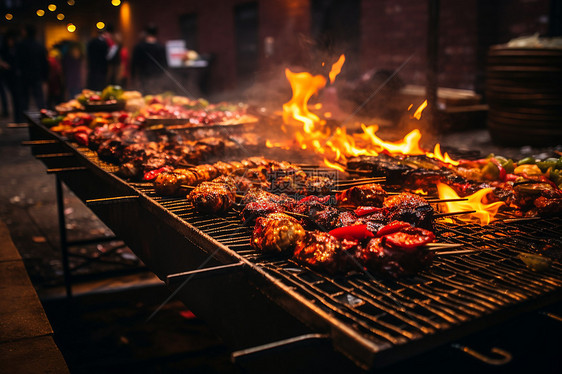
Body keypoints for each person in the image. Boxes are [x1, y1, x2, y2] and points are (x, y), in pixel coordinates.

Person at [16, 24, 49, 116]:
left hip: (24, 76)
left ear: (26, 32)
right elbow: (44, 62)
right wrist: (45, 77)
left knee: (24, 99)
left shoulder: (21, 45)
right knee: (39, 99)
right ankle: (44, 116)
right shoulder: (38, 45)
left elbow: (18, 61)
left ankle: (22, 118)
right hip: (36, 75)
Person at [131, 24, 168, 93]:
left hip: (143, 77)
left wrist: (133, 78)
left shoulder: (139, 47)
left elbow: (134, 63)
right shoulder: (161, 47)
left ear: (146, 33)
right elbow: (165, 65)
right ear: (156, 33)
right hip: (158, 78)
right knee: (157, 98)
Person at [0, 29, 22, 122]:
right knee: (6, 95)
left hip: (15, 76)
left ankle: (19, 117)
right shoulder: (4, 49)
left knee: (17, 97)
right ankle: (10, 114)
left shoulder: (17, 48)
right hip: (6, 75)